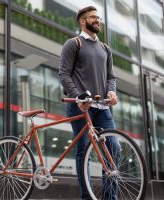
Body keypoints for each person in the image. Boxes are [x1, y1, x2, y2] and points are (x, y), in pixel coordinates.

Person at [58, 6, 120, 200]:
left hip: (102, 108)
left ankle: (110, 198)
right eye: (93, 17)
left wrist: (111, 90)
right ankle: (87, 197)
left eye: (98, 17)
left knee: (114, 148)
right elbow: (64, 74)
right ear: (82, 21)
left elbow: (111, 76)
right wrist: (78, 96)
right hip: (80, 107)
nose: (97, 20)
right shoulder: (73, 43)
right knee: (84, 151)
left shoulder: (105, 49)